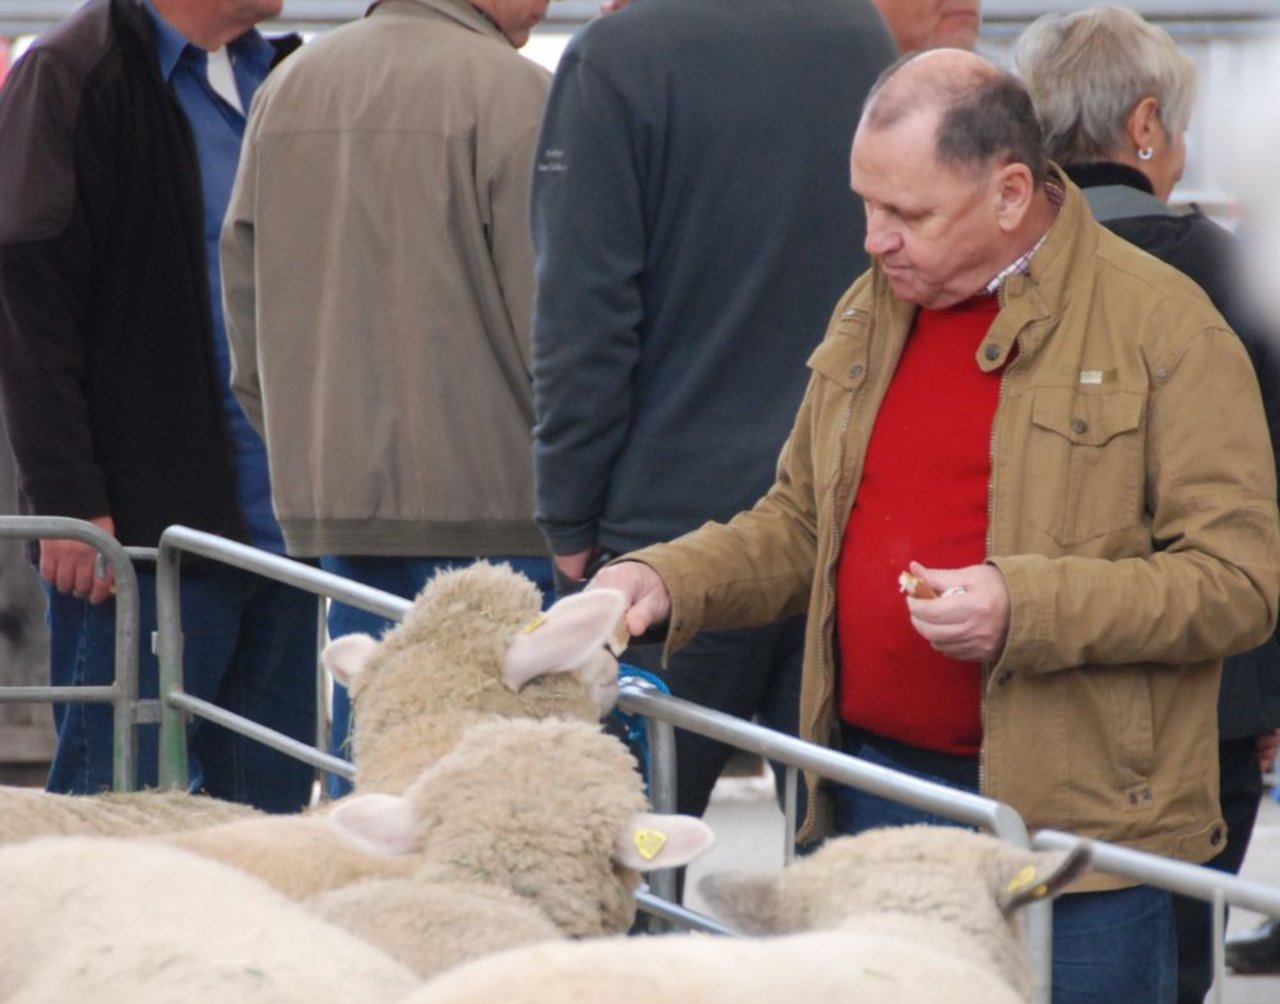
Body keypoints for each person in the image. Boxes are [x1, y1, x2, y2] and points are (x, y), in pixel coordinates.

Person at [589, 49, 1280, 1004]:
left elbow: (1238, 580)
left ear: (1008, 195)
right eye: (865, 205)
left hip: (1072, 851)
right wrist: (663, 580)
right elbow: (800, 522)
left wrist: (1023, 605)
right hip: (864, 795)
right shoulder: (874, 311)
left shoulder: (1169, 331)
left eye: (906, 214)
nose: (874, 240)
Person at [530, 0, 961, 828]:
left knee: (629, 862)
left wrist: (569, 519)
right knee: (843, 863)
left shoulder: (617, 59)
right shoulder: (858, 35)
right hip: (839, 516)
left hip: (668, 546)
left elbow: (583, 316)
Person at [221, 0, 557, 798]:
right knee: (501, 779)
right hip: (503, 509)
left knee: (373, 748)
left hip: (337, 501)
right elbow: (556, 331)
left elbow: (243, 297)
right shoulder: (514, 93)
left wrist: (302, 450)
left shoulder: (288, 86)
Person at [1014, 9, 1280, 1004]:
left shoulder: (990, 272)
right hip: (1206, 687)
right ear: (1140, 126)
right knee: (1167, 967)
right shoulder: (1227, 274)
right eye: (1175, 129)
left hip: (1023, 669)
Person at [0, 0, 316, 812]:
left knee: (271, 826)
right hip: (140, 541)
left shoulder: (278, 74)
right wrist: (68, 498)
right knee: (112, 811)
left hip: (282, 535)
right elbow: (28, 300)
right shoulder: (73, 73)